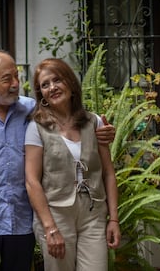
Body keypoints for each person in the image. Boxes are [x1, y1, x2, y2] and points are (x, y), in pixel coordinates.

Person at [0, 50, 116, 271]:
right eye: (7, 79)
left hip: (20, 220)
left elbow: (70, 122)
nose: (15, 84)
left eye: (17, 76)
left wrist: (105, 133)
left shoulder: (32, 110)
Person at [25, 58, 121, 271]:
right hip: (56, 215)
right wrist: (50, 228)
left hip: (93, 213)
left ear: (70, 82)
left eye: (57, 80)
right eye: (45, 85)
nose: (52, 88)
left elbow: (108, 173)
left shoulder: (93, 122)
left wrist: (113, 219)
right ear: (41, 94)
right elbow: (32, 181)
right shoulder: (36, 128)